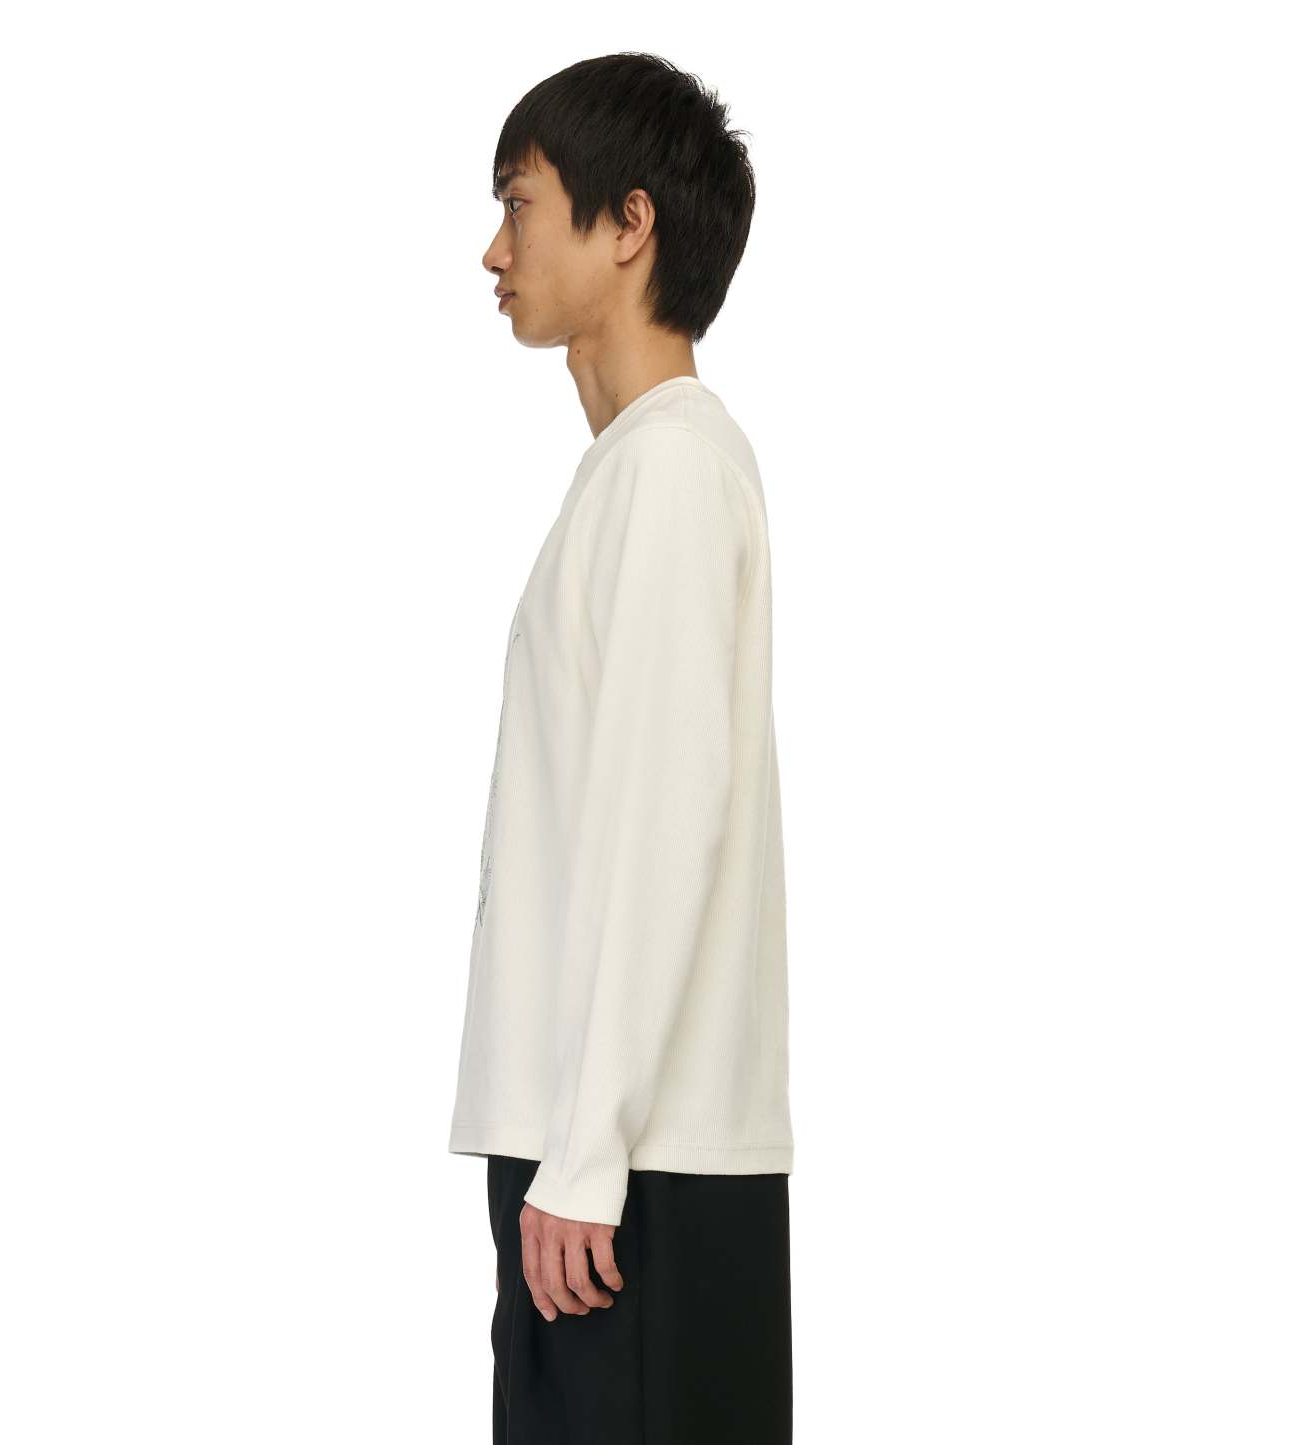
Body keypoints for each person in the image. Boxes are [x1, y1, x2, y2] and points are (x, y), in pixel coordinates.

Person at [447, 51, 794, 1445]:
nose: (495, 249)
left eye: (518, 202)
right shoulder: (635, 474)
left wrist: (585, 1157)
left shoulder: (670, 469)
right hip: (599, 1163)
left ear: (629, 223)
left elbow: (659, 820)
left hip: (627, 1178)